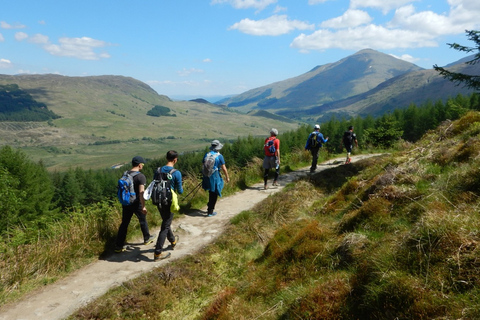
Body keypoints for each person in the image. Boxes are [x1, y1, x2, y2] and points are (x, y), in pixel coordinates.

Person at [115, 156, 155, 253]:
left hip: (126, 202)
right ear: (140, 165)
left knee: (124, 223)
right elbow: (141, 193)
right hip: (136, 203)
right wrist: (143, 206)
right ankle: (147, 238)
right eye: (143, 164)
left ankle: (119, 245)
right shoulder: (140, 176)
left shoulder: (125, 174)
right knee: (142, 220)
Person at [153, 150, 184, 261]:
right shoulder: (176, 173)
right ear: (175, 160)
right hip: (169, 201)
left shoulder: (158, 170)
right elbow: (180, 191)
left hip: (158, 200)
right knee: (165, 225)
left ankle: (173, 241)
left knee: (166, 221)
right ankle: (158, 253)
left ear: (167, 158)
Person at [202, 140, 230, 217]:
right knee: (214, 192)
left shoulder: (206, 154)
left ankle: (209, 205)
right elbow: (224, 168)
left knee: (211, 191)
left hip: (206, 175)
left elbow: (203, 165)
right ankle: (210, 211)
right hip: (215, 175)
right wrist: (227, 177)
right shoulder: (219, 156)